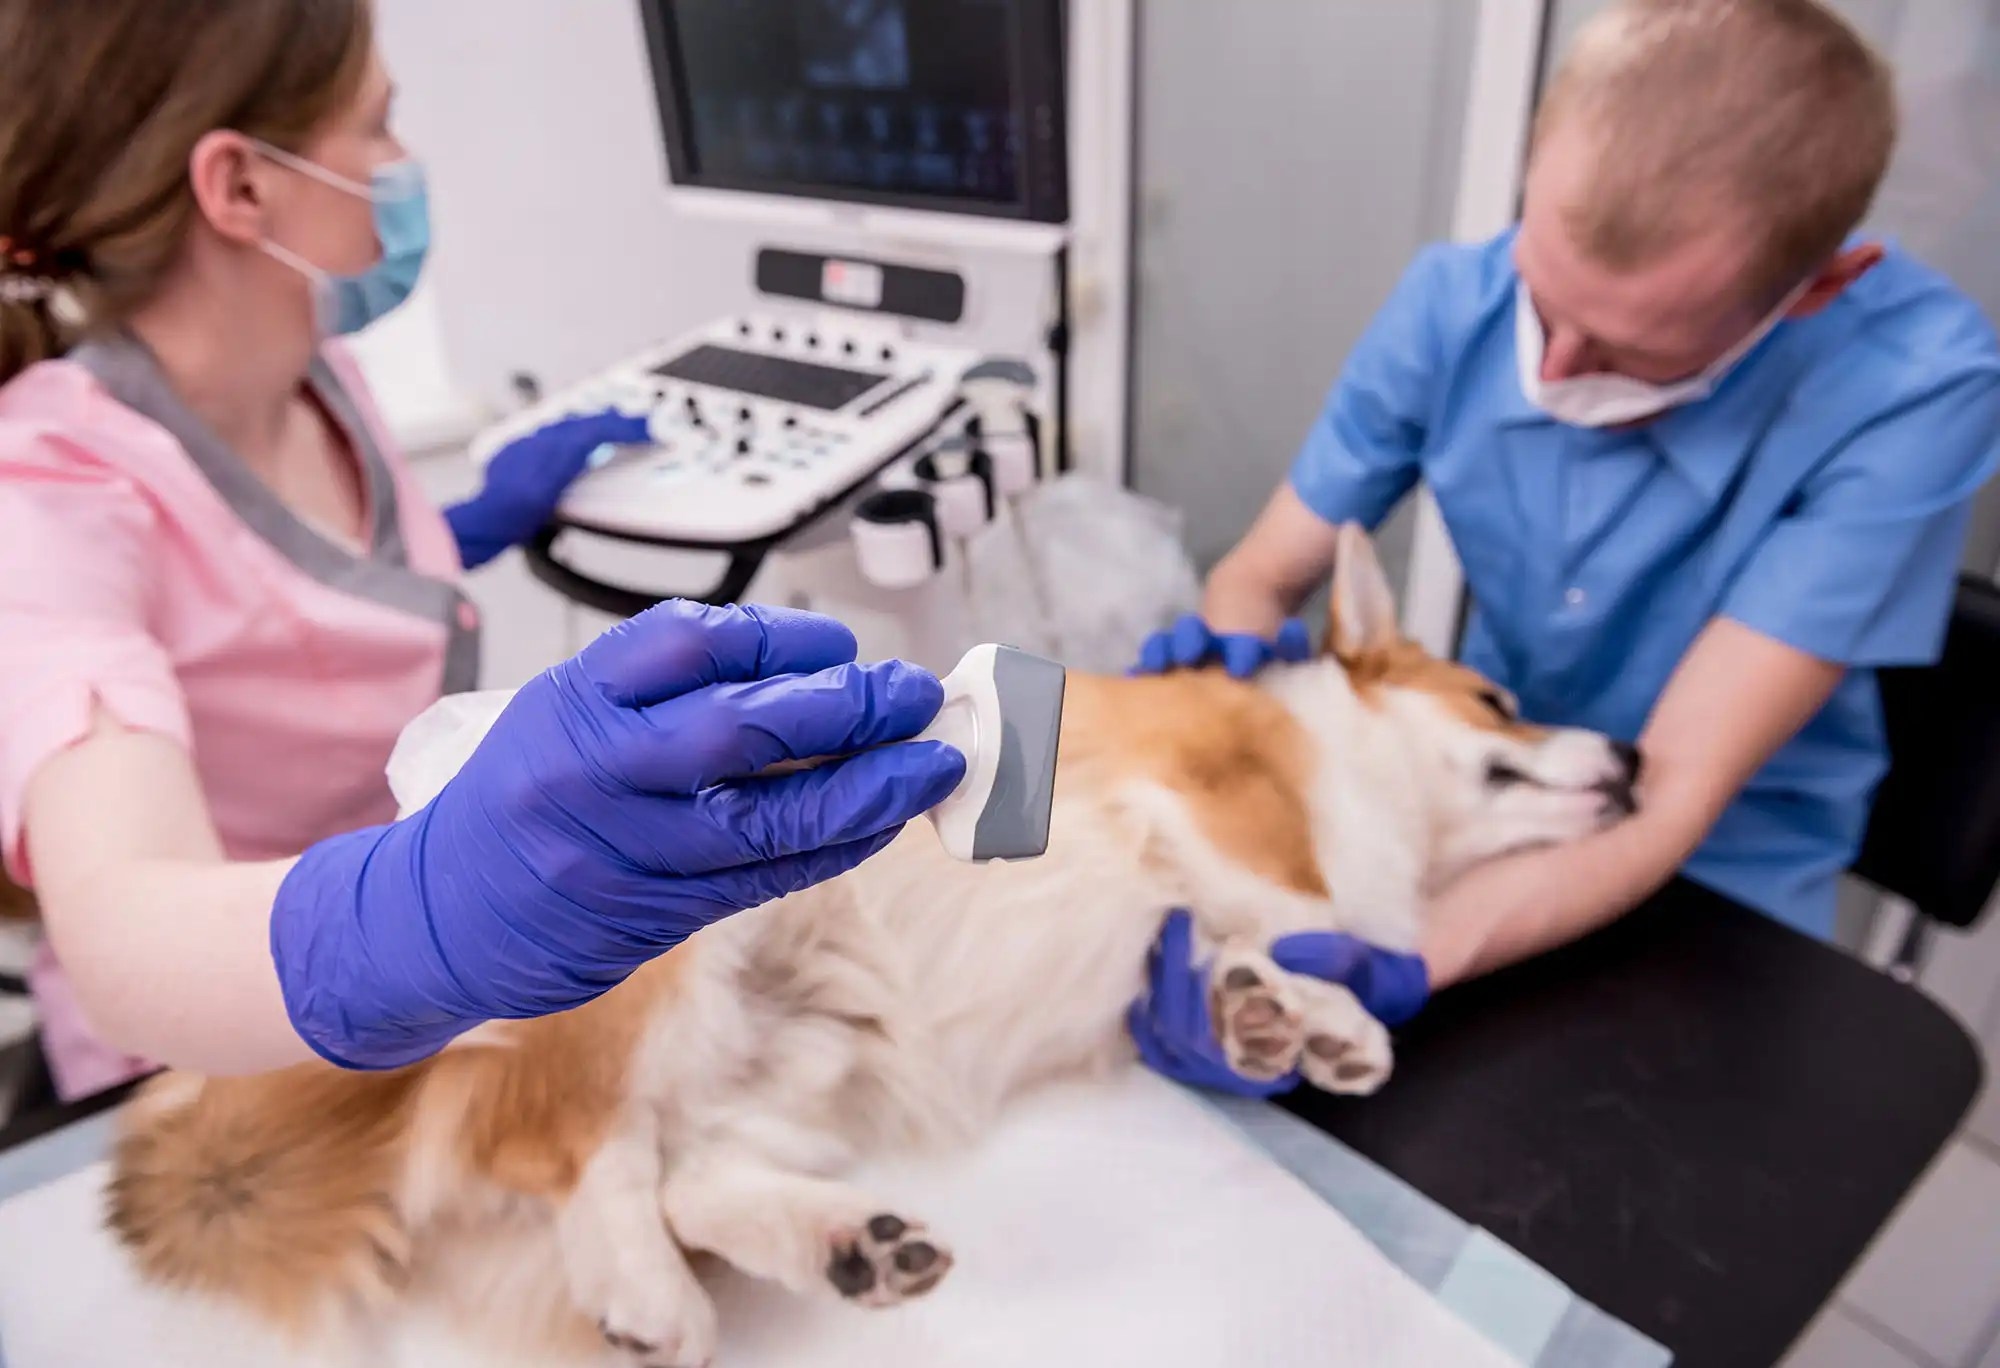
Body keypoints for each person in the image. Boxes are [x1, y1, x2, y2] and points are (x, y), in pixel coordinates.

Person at [0, 0, 965, 1098]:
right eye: (377, 123)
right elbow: (125, 939)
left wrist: (472, 527)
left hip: (401, 1013)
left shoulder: (310, 369)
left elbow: (261, 598)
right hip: (208, 1081)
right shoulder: (44, 498)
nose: (401, 162)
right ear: (241, 187)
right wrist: (419, 905)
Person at [1128, 0, 2000, 1095]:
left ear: (1815, 290)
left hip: (1721, 881)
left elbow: (1673, 789)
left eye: (1627, 350)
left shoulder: (1911, 392)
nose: (1552, 360)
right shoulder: (1457, 303)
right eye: (1543, 299)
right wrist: (1225, 716)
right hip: (1484, 802)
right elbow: (1258, 575)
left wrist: (1386, 963)